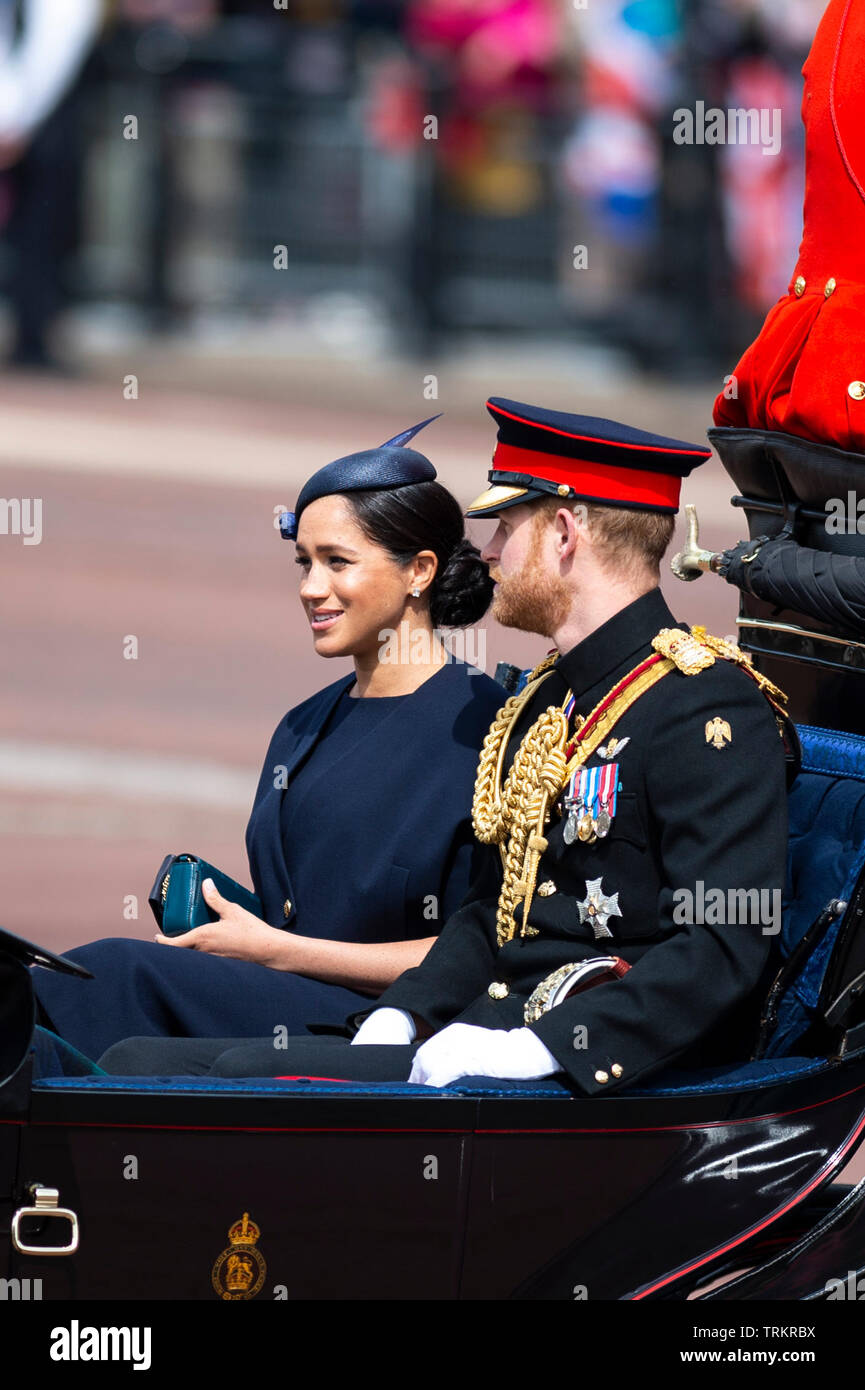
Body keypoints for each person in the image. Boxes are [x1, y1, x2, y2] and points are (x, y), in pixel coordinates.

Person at [99, 397, 792, 1092]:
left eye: (503, 528)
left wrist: (547, 1048)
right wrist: (403, 1013)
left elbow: (721, 943)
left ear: (561, 532)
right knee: (137, 1065)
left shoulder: (704, 705)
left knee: (244, 1076)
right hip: (481, 1033)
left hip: (600, 1075)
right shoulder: (550, 698)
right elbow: (491, 912)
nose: (487, 554)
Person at [32, 420, 505, 1064]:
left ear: (419, 570)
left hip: (389, 1026)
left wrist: (274, 950)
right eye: (304, 562)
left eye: (338, 562)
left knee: (114, 977)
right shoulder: (303, 723)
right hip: (282, 995)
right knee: (51, 1004)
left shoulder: (487, 728)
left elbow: (481, 949)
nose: (312, 587)